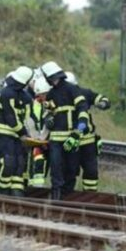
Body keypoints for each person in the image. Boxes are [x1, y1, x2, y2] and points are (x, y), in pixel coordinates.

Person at [40, 62, 90, 200]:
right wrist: (48, 118)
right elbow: (47, 113)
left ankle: (68, 195)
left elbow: (82, 109)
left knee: (72, 167)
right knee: (56, 167)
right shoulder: (51, 94)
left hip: (72, 136)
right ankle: (57, 195)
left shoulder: (72, 90)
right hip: (56, 138)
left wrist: (78, 131)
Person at [65, 72, 111, 192]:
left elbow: (101, 98)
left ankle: (90, 196)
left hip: (88, 141)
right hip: (70, 141)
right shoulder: (59, 96)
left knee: (91, 171)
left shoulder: (84, 93)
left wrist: (103, 103)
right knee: (69, 171)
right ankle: (67, 196)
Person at [0, 66, 34, 196]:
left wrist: (32, 135)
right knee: (8, 162)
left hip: (18, 136)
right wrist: (23, 133)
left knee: (20, 163)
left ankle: (16, 192)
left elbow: (29, 118)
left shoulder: (26, 97)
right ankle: (3, 191)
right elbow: (11, 117)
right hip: (3, 134)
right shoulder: (6, 93)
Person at [25, 75, 52, 188]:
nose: (44, 97)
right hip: (37, 142)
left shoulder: (51, 105)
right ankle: (35, 188)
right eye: (42, 95)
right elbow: (30, 124)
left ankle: (38, 188)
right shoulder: (33, 105)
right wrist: (39, 140)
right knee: (37, 165)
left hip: (49, 142)